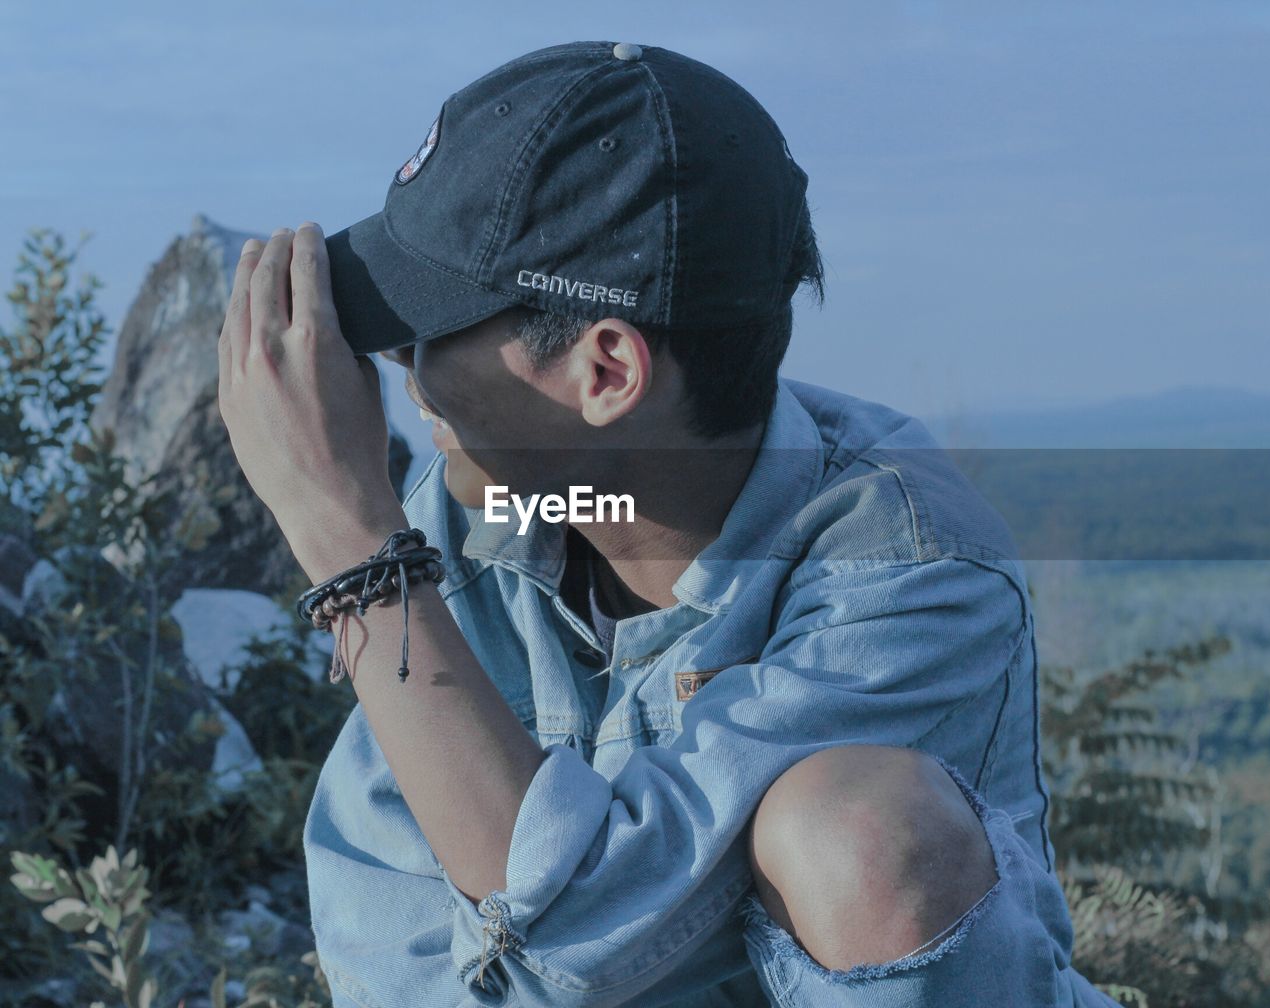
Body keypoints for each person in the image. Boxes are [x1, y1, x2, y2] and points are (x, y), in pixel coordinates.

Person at [217, 39, 1124, 1008]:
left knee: (857, 828)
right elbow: (387, 944)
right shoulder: (474, 518)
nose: (402, 370)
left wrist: (347, 539)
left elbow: (571, 938)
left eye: (427, 328)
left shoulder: (910, 573)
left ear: (605, 372)